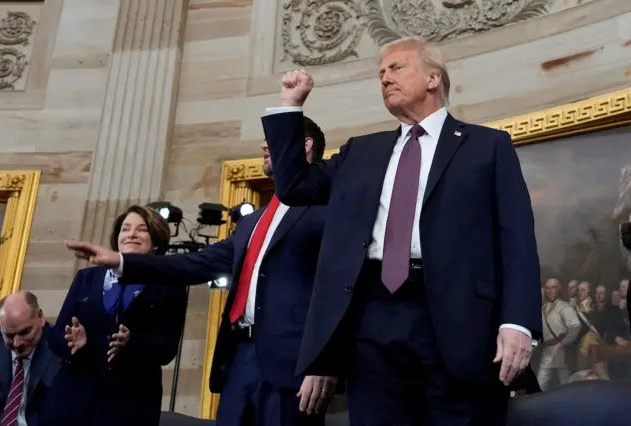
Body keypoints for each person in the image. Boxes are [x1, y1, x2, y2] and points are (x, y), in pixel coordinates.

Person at [260, 36, 542, 425]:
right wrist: (290, 107)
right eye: (380, 73)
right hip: (373, 317)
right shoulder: (361, 151)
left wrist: (517, 322)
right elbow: (294, 186)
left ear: (432, 78)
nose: (385, 79)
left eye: (396, 68)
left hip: (458, 319)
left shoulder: (487, 146)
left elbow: (517, 241)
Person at [64, 119, 337, 426]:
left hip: (292, 366)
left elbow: (341, 291)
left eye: (271, 140)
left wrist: (324, 362)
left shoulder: (330, 209)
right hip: (238, 361)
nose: (263, 146)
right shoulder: (251, 223)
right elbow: (196, 263)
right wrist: (121, 262)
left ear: (304, 146)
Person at [39, 206, 188, 426]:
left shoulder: (170, 284)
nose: (131, 234)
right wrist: (73, 341)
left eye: (141, 229)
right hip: (71, 399)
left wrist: (132, 342)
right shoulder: (86, 278)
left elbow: (167, 348)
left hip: (129, 404)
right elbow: (56, 337)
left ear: (156, 237)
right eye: (125, 229)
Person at [0, 292, 60, 426]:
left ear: (40, 317)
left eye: (24, 332)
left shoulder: (60, 347)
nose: (17, 343)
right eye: (9, 335)